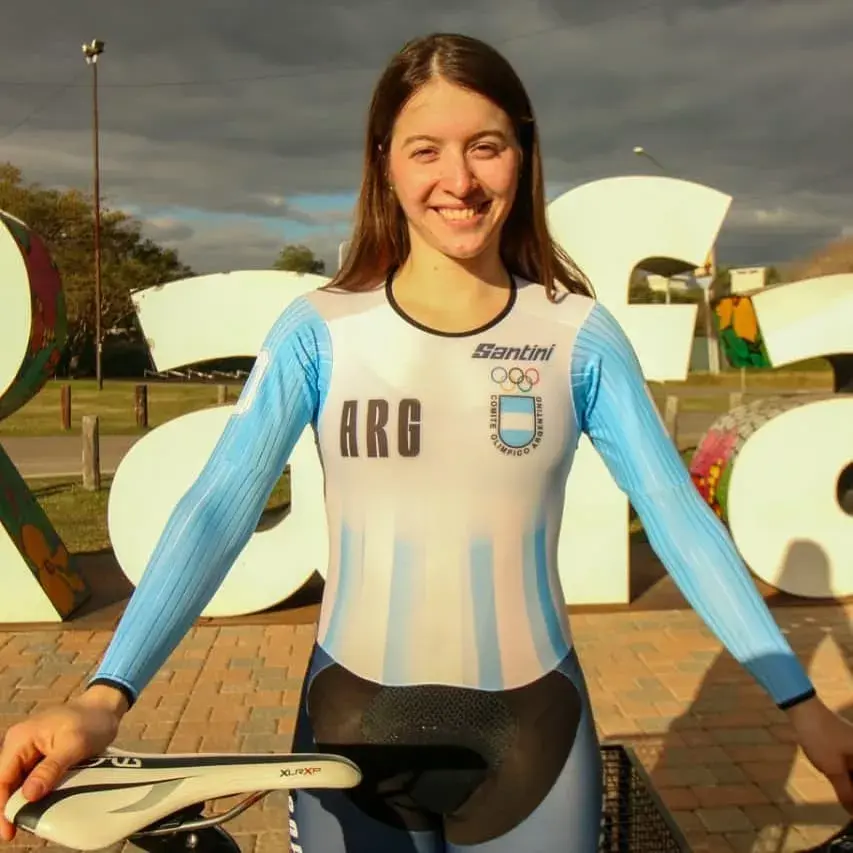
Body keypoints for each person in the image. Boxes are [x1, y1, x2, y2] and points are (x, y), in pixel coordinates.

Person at [1, 32, 852, 853]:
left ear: (522, 152)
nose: (459, 179)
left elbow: (677, 520)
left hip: (534, 732)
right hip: (351, 728)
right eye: (425, 150)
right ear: (382, 160)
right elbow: (219, 508)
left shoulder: (577, 333)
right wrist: (105, 696)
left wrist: (803, 707)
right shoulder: (319, 330)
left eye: (485, 146)